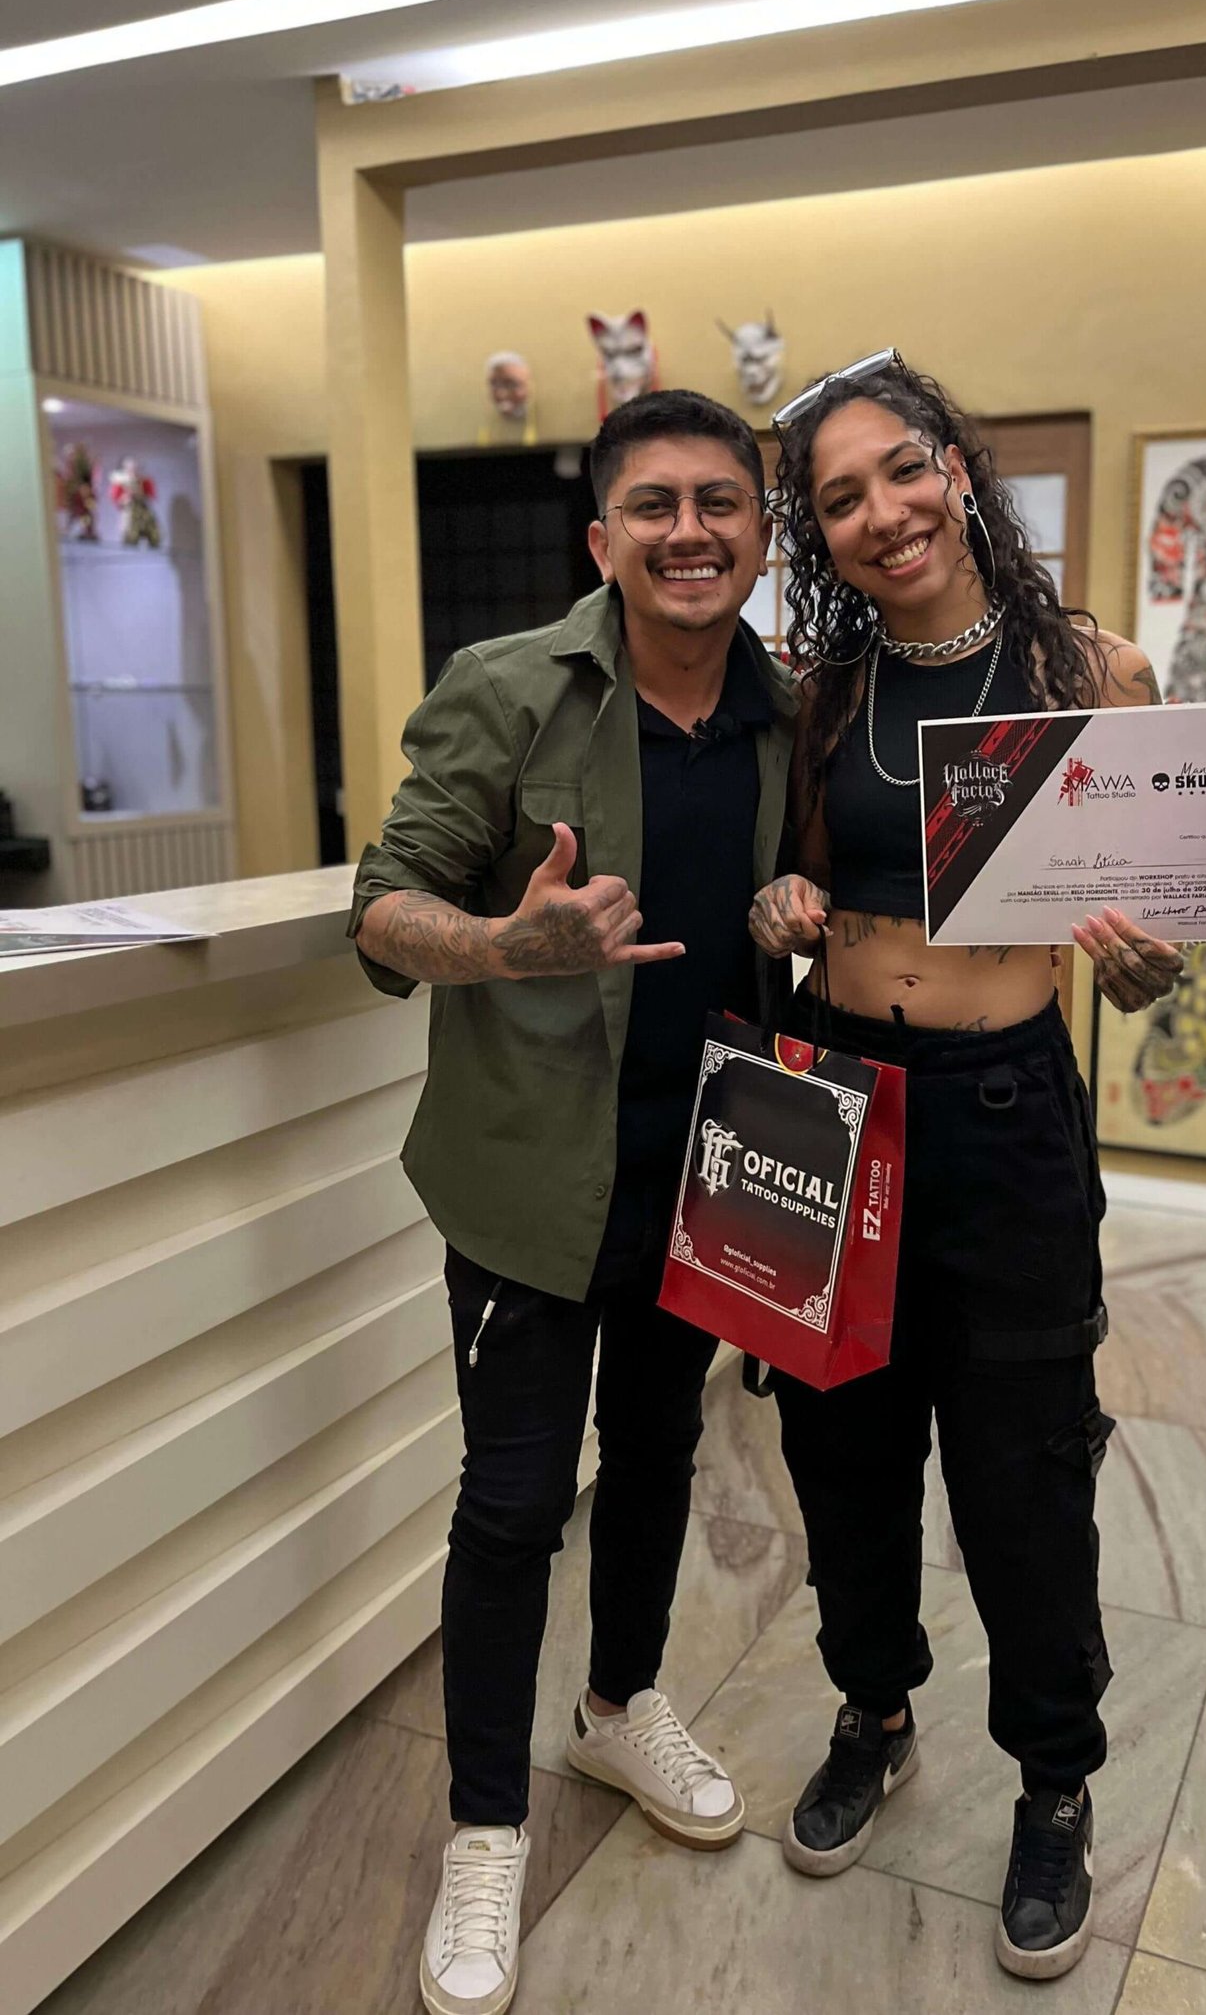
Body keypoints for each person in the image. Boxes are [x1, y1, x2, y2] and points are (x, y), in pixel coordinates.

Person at [351, 389, 794, 2015]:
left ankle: (616, 1708)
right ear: (603, 538)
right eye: (655, 505)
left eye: (722, 502)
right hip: (532, 1179)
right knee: (515, 1501)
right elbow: (379, 906)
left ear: (761, 533)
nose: (691, 530)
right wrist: (504, 944)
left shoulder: (783, 710)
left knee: (663, 1452)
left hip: (706, 1175)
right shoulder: (508, 688)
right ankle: (486, 1825)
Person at [747, 352, 1182, 1983]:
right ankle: (873, 1707)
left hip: (1005, 1116)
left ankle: (1055, 1780)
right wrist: (781, 911)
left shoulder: (1092, 670)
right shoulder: (829, 696)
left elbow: (1153, 938)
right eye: (838, 499)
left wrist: (1148, 966)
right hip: (839, 1102)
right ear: (821, 537)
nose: (881, 512)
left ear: (956, 467)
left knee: (1023, 1468)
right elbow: (796, 893)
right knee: (842, 1446)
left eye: (901, 470)